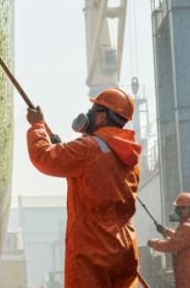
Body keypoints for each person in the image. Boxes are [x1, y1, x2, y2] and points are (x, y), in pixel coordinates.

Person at [27, 88, 142, 288]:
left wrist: (37, 125)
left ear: (102, 116)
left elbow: (43, 157)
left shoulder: (88, 148)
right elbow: (96, 183)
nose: (88, 113)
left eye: (93, 109)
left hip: (92, 245)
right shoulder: (130, 156)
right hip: (125, 246)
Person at [148, 193, 190, 288]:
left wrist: (154, 243)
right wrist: (166, 231)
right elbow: (182, 239)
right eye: (177, 208)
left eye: (181, 208)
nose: (178, 211)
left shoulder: (188, 227)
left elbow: (171, 245)